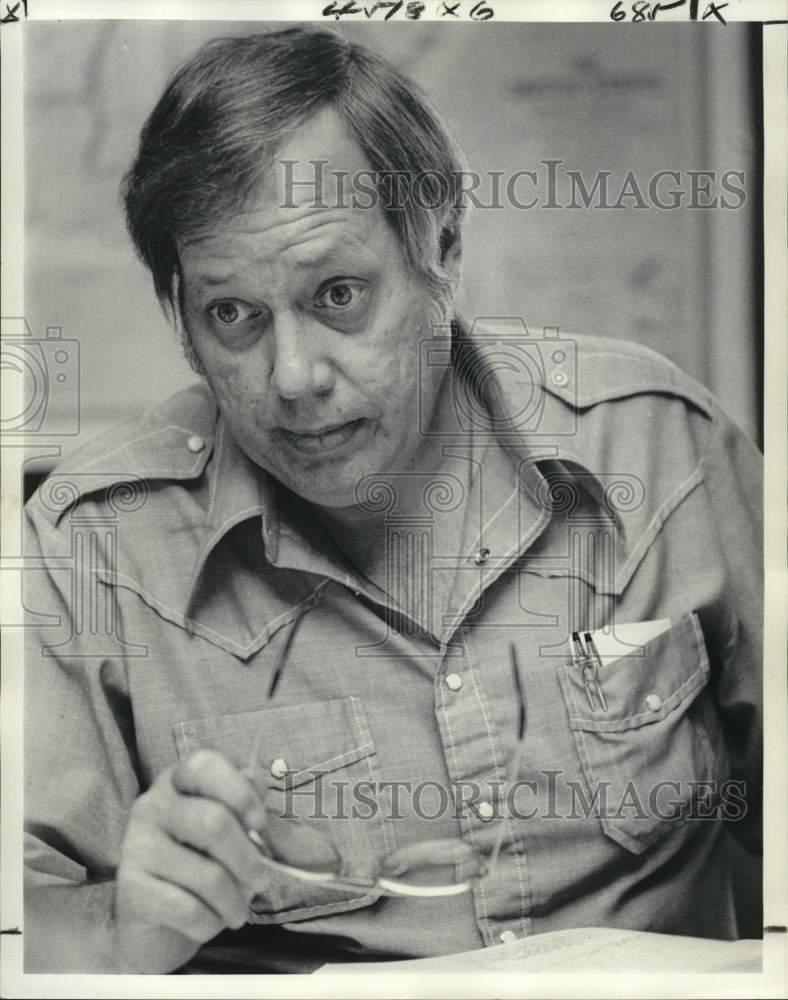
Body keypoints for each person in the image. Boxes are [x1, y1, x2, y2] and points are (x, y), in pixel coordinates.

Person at [23, 27, 762, 974]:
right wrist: (124, 926)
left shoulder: (659, 448)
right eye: (233, 316)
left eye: (337, 295)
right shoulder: (94, 546)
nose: (292, 377)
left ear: (442, 251)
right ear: (181, 319)